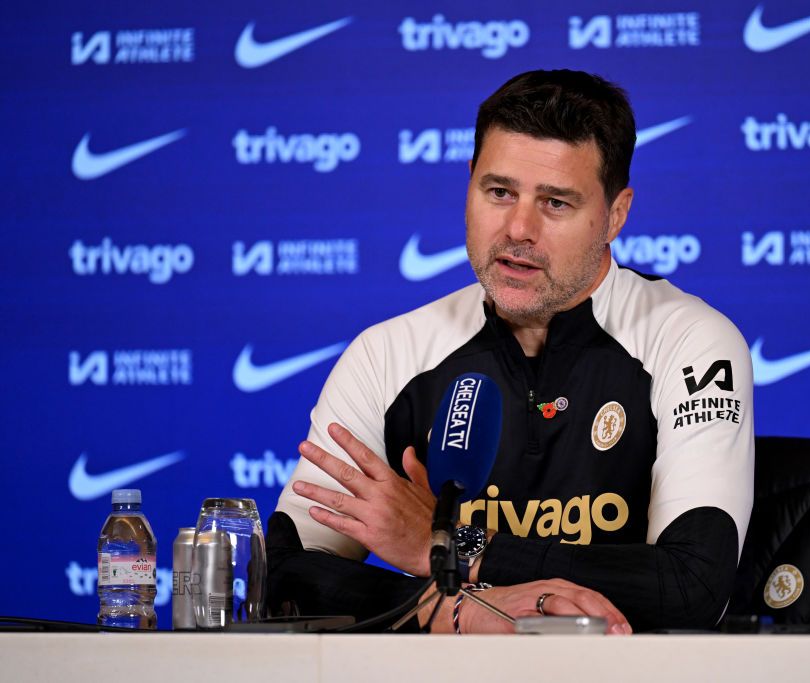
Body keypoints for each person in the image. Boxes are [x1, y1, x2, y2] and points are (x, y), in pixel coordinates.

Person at [269, 69, 754, 634]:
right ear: (469, 183)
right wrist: (450, 607)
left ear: (616, 215)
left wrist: (449, 543)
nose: (519, 229)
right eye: (499, 192)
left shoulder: (689, 341)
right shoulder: (389, 354)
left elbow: (693, 587)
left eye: (555, 203)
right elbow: (283, 574)